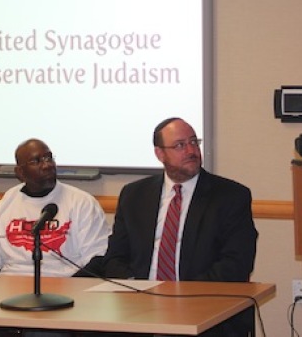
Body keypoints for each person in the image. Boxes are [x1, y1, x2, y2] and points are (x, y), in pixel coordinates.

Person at [0, 138, 110, 337]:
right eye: (37, 161)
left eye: (49, 158)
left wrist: (63, 294)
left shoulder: (81, 203)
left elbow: (98, 261)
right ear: (20, 173)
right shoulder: (3, 207)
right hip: (6, 300)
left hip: (61, 302)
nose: (47, 165)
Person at [100, 117, 258, 336]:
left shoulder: (230, 196)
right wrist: (138, 289)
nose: (191, 150)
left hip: (202, 307)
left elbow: (236, 264)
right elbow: (115, 258)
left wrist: (179, 295)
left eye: (194, 142)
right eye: (180, 145)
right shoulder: (134, 195)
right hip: (139, 306)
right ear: (160, 154)